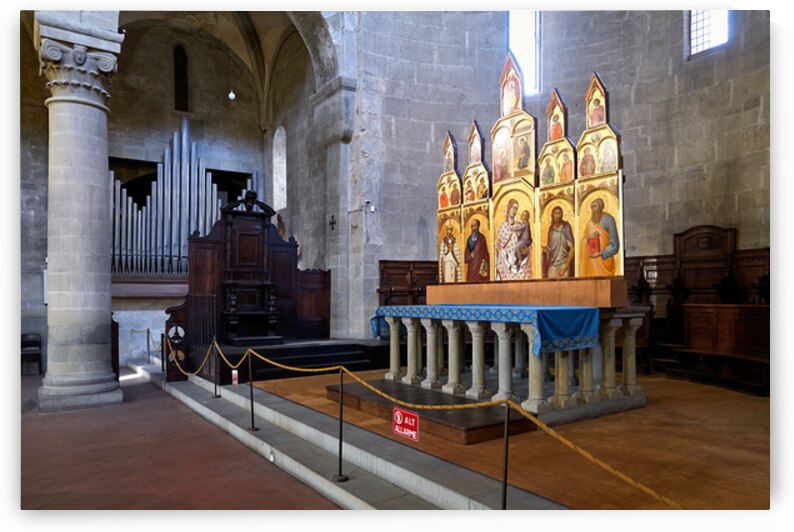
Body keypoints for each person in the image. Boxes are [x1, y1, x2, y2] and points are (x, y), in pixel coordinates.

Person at [580, 197, 619, 277]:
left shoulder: (609, 219)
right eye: (592, 207)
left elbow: (614, 244)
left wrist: (600, 253)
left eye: (595, 206)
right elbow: (583, 241)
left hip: (604, 260)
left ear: (601, 207)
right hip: (592, 263)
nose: (593, 210)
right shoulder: (589, 223)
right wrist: (589, 237)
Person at [495, 199, 530, 280]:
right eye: (513, 208)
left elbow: (526, 241)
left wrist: (527, 251)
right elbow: (499, 246)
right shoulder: (502, 227)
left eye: (516, 209)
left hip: (518, 261)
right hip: (504, 262)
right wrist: (497, 249)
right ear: (508, 208)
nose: (515, 211)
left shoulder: (519, 225)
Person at [542, 206, 574, 278]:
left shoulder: (566, 227)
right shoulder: (551, 229)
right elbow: (551, 247)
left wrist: (565, 267)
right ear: (552, 215)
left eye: (559, 213)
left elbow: (572, 248)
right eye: (556, 213)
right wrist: (546, 249)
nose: (558, 216)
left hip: (563, 264)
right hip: (552, 264)